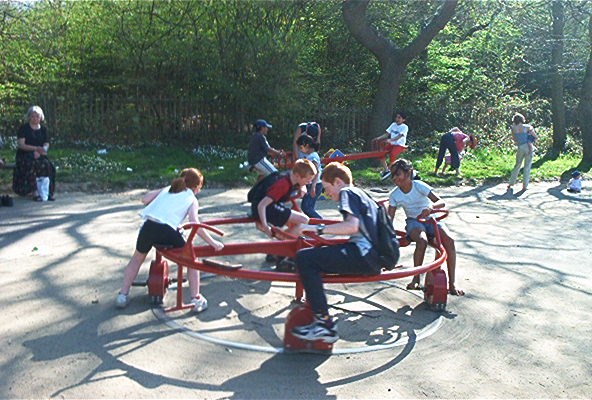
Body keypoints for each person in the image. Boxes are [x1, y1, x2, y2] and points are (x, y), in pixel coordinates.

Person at [291, 162, 385, 343]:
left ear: (337, 182)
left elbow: (351, 226)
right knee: (316, 258)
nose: (328, 194)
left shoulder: (346, 193)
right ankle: (318, 314)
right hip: (372, 257)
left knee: (305, 258)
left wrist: (316, 230)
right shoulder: (362, 195)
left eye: (327, 188)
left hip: (363, 256)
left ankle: (323, 324)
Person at [116, 168, 224, 310]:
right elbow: (195, 224)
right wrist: (213, 243)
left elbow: (145, 199)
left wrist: (164, 191)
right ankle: (196, 298)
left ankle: (122, 295)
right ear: (197, 187)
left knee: (137, 258)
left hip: (148, 227)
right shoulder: (192, 198)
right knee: (192, 262)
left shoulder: (168, 189)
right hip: (166, 230)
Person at [387, 158, 464, 296]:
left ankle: (452, 283)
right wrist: (386, 233)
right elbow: (389, 218)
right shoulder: (395, 195)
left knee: (449, 240)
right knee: (421, 240)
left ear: (408, 173)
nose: (394, 178)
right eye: (392, 175)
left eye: (397, 174)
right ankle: (416, 278)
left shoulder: (419, 186)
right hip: (414, 221)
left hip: (431, 218)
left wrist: (430, 207)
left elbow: (441, 202)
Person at [253, 158, 316, 238]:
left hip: (269, 206)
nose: (309, 183)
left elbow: (300, 180)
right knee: (304, 220)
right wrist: (265, 227)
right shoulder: (283, 184)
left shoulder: (290, 177)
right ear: (297, 176)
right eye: (307, 181)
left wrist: (302, 185)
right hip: (265, 209)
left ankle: (284, 240)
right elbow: (261, 205)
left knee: (296, 223)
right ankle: (282, 241)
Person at [12, 105, 57, 201]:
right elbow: (21, 144)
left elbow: (46, 143)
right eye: (32, 116)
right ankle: (34, 192)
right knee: (31, 165)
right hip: (25, 154)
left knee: (48, 166)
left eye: (37, 116)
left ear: (41, 117)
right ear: (29, 117)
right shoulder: (24, 128)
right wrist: (35, 149)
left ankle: (47, 192)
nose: (35, 118)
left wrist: (43, 150)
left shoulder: (43, 129)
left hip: (40, 154)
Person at [374, 111, 408, 180]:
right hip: (391, 144)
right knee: (381, 152)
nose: (397, 119)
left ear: (403, 120)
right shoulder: (393, 125)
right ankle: (387, 170)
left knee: (392, 154)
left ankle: (391, 170)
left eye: (399, 118)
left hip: (399, 145)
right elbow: (386, 134)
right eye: (396, 117)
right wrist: (378, 138)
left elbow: (399, 136)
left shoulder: (404, 127)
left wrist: (390, 140)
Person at [507, 113, 537, 191]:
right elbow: (535, 136)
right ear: (522, 119)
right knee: (527, 167)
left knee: (517, 165)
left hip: (520, 147)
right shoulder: (527, 127)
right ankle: (525, 186)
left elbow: (514, 139)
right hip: (528, 147)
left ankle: (511, 182)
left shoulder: (513, 128)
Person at [296, 134, 323, 219]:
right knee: (308, 207)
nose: (300, 150)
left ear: (306, 145)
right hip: (313, 184)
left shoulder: (313, 156)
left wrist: (313, 187)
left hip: (315, 184)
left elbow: (316, 172)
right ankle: (315, 225)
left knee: (306, 207)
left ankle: (321, 222)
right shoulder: (310, 156)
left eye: (301, 147)